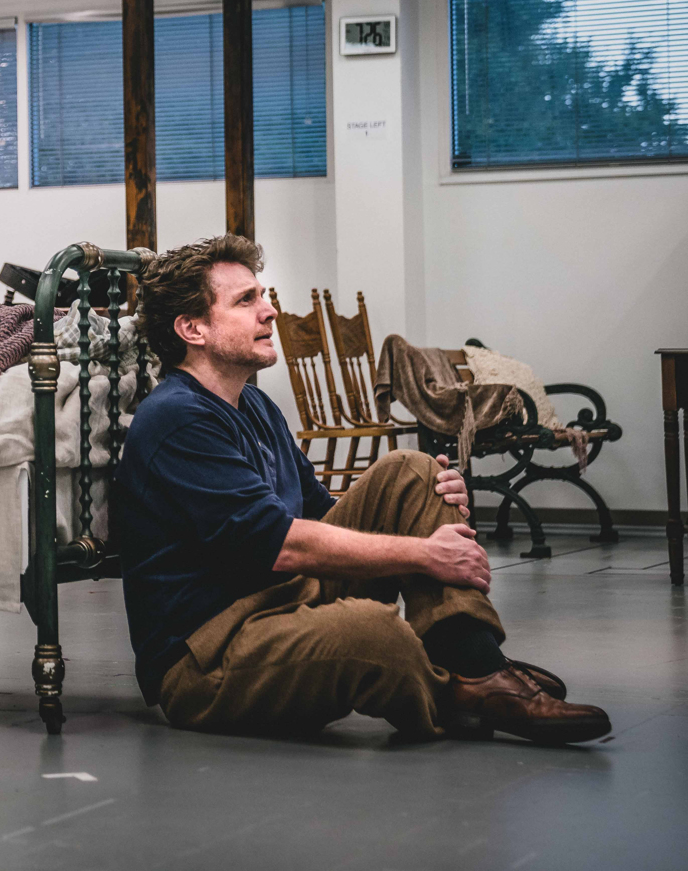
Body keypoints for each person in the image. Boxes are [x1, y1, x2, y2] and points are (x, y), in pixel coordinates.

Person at [115, 235, 611, 745]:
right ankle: (465, 685)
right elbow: (281, 543)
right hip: (208, 654)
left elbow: (321, 511)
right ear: (191, 328)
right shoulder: (178, 418)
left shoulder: (256, 407)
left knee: (412, 471)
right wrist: (425, 553)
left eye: (263, 295)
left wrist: (423, 508)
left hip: (278, 600)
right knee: (376, 634)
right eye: (247, 301)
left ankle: (478, 664)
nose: (270, 312)